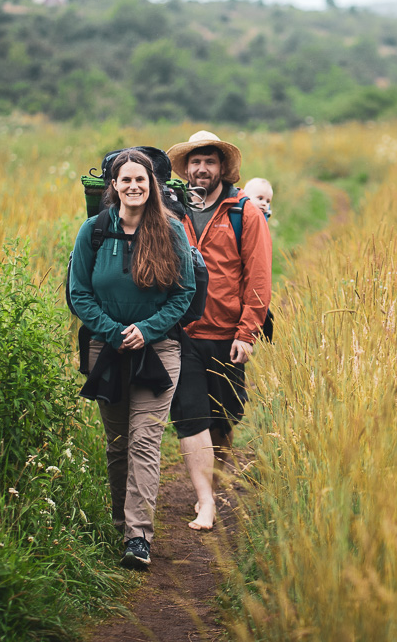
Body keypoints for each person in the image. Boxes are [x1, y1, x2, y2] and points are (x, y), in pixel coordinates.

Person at [69, 149, 196, 569]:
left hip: (158, 350)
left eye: (141, 179)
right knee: (119, 442)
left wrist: (148, 330)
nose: (134, 186)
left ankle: (138, 537)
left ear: (153, 185)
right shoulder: (93, 232)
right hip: (107, 349)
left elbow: (183, 293)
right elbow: (79, 293)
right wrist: (112, 331)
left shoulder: (171, 232)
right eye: (125, 180)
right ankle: (120, 523)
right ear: (114, 186)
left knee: (144, 439)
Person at [166, 130, 272, 531]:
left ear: (222, 167)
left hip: (227, 333)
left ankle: (216, 479)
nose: (201, 168)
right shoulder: (172, 210)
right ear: (186, 167)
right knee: (191, 416)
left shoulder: (243, 211)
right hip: (182, 330)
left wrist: (247, 332)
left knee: (224, 419)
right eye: (195, 161)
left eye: (209, 161)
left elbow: (258, 276)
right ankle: (205, 499)